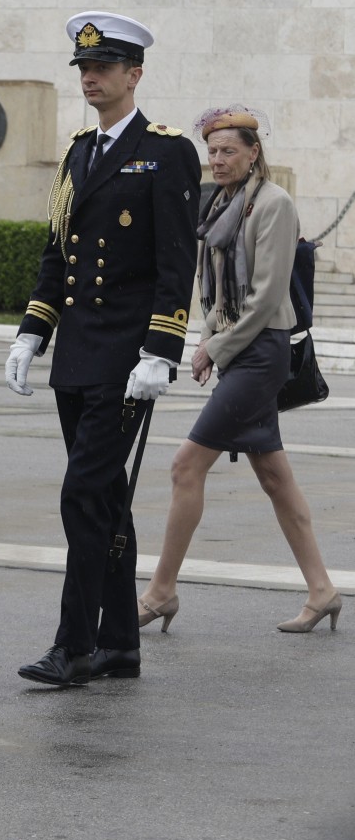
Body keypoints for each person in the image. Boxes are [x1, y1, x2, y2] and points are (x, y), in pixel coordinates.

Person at [6, 11, 200, 686]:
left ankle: (75, 644)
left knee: (82, 497)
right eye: (84, 68)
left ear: (134, 74)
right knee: (107, 499)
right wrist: (34, 331)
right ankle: (120, 641)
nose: (91, 77)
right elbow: (58, 255)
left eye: (104, 68)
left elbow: (178, 262)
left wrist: (161, 349)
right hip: (78, 356)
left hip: (126, 359)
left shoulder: (167, 151)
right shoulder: (77, 154)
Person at [136, 108, 341, 635]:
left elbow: (267, 292)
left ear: (254, 152)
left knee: (185, 465)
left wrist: (216, 349)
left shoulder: (274, 204)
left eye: (229, 150)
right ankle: (322, 591)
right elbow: (216, 288)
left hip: (262, 351)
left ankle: (161, 592)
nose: (218, 159)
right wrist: (209, 335)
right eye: (213, 150)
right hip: (241, 349)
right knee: (275, 477)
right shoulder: (223, 204)